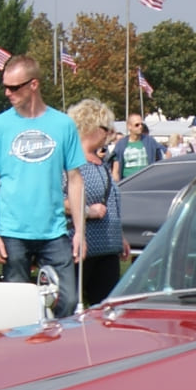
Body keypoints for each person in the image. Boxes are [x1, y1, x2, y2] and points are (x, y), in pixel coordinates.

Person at [0, 54, 87, 314]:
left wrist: (80, 231)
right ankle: (21, 352)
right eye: (5, 86)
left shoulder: (62, 124)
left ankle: (56, 350)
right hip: (13, 231)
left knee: (68, 301)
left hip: (54, 232)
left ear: (34, 85)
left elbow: (75, 180)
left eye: (14, 87)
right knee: (19, 308)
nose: (7, 93)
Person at [66, 98, 130, 308]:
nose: (109, 135)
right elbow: (55, 203)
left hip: (107, 250)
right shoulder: (69, 163)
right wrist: (87, 212)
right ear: (90, 127)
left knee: (106, 309)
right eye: (106, 129)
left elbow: (111, 202)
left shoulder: (101, 163)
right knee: (71, 308)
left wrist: (119, 236)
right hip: (80, 250)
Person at [110, 113, 164, 182]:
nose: (140, 126)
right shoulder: (121, 144)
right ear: (129, 126)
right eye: (137, 125)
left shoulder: (150, 141)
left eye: (141, 124)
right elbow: (115, 171)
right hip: (128, 183)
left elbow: (164, 154)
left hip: (147, 182)